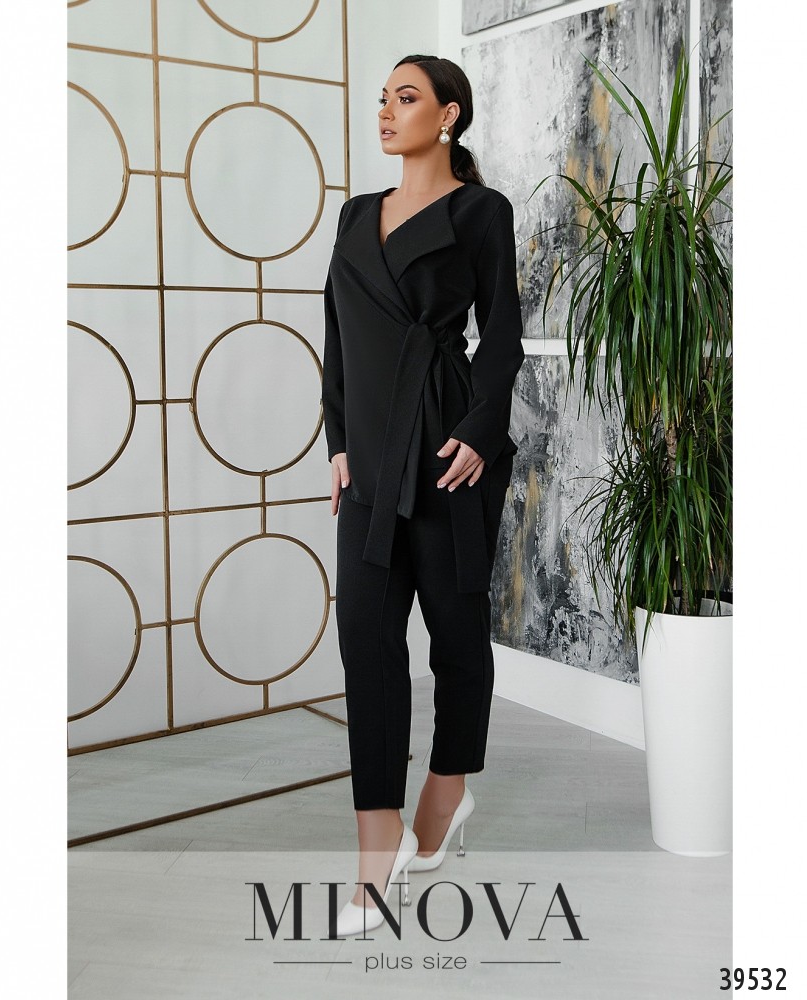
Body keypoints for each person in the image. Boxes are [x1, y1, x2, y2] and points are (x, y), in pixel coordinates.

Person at [321, 54, 524, 937]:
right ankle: (378, 848)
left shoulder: (482, 211)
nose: (386, 111)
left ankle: (445, 795)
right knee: (365, 645)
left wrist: (479, 431)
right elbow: (336, 335)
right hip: (369, 457)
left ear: (447, 116)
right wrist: (337, 441)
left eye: (406, 98)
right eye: (383, 98)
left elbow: (503, 334)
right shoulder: (355, 215)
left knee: (455, 634)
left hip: (447, 450)